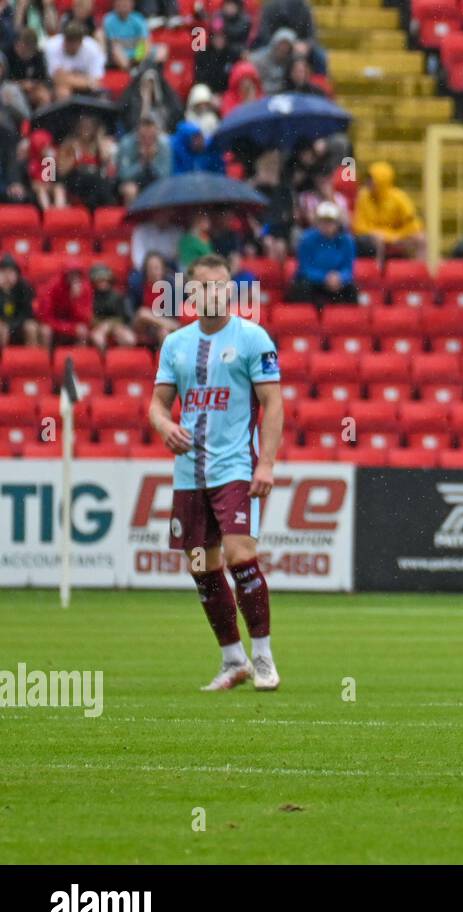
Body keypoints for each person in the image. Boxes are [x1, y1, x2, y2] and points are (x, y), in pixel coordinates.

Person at [149, 253, 284, 692]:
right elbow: (156, 404)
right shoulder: (175, 345)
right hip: (190, 471)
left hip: (235, 466)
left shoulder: (252, 338)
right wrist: (165, 425)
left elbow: (273, 403)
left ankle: (263, 657)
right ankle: (233, 660)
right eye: (205, 287)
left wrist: (265, 462)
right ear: (191, 293)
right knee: (200, 564)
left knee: (239, 553)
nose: (215, 293)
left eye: (222, 285)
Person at [353, 160, 425, 264]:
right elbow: (359, 226)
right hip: (373, 238)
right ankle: (378, 272)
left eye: (371, 179)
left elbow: (413, 225)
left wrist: (394, 236)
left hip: (396, 236)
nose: (368, 182)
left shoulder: (399, 197)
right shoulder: (363, 197)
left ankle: (420, 274)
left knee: (421, 239)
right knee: (377, 240)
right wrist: (379, 234)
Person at [289, 201, 357, 306]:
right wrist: (324, 277)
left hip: (337, 282)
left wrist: (340, 277)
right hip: (313, 282)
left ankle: (350, 319)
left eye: (330, 221)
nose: (327, 225)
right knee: (302, 287)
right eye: (323, 221)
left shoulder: (346, 241)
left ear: (337, 223)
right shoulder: (306, 239)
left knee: (352, 288)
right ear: (317, 222)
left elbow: (348, 268)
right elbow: (304, 268)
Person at [57, 114, 116, 209]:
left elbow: (105, 160)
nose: (86, 129)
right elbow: (62, 171)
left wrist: (99, 138)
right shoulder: (70, 144)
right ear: (78, 127)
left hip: (94, 183)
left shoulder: (97, 145)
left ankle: (106, 209)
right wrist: (75, 156)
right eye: (83, 126)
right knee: (95, 181)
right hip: (76, 181)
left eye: (89, 127)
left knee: (102, 182)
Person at [116, 112, 171, 204]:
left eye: (151, 137)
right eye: (144, 136)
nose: (147, 139)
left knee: (162, 190)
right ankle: (132, 217)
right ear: (137, 131)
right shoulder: (126, 143)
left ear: (156, 132)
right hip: (132, 181)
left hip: (154, 180)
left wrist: (152, 160)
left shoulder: (164, 145)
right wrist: (142, 162)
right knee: (130, 190)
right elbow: (123, 175)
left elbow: (165, 176)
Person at [130, 250, 180, 345]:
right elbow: (134, 314)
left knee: (164, 332)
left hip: (163, 327)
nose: (154, 271)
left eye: (157, 268)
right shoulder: (138, 286)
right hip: (143, 326)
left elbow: (175, 316)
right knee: (143, 313)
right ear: (145, 270)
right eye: (150, 268)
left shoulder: (172, 286)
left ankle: (164, 359)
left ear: (163, 269)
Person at [34, 267, 92, 347]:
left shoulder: (85, 289)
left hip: (71, 325)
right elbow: (45, 317)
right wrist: (64, 327)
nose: (74, 279)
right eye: (72, 274)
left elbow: (85, 318)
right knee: (45, 331)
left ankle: (78, 357)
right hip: (54, 323)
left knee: (83, 331)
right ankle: (45, 359)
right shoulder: (53, 286)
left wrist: (75, 300)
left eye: (77, 275)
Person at [42, 21, 103, 98]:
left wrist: (67, 78)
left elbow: (97, 82)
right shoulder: (52, 46)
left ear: (80, 42)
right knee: (62, 91)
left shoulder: (93, 48)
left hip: (86, 90)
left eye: (73, 41)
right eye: (67, 40)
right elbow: (57, 79)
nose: (69, 44)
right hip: (60, 87)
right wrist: (87, 81)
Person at [88, 262, 135, 350]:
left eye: (105, 279)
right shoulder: (90, 296)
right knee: (98, 338)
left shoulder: (118, 296)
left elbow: (124, 317)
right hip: (98, 326)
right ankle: (103, 361)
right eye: (99, 280)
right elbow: (89, 317)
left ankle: (119, 360)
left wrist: (110, 325)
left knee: (129, 339)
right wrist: (102, 325)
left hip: (116, 326)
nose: (103, 283)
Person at [0, 252, 36, 349]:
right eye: (3, 272)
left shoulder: (24, 287)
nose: (7, 276)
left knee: (31, 327)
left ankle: (32, 360)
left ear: (17, 274)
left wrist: (12, 324)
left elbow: (27, 313)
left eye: (11, 272)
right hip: (2, 324)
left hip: (19, 323)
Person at [101, 0, 150, 70]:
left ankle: (141, 68)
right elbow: (113, 44)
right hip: (117, 54)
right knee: (116, 50)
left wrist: (139, 56)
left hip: (136, 52)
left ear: (132, 4)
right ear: (115, 4)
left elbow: (145, 40)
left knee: (161, 50)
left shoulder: (138, 18)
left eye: (126, 2)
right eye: (120, 2)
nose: (123, 5)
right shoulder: (108, 19)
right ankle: (130, 70)